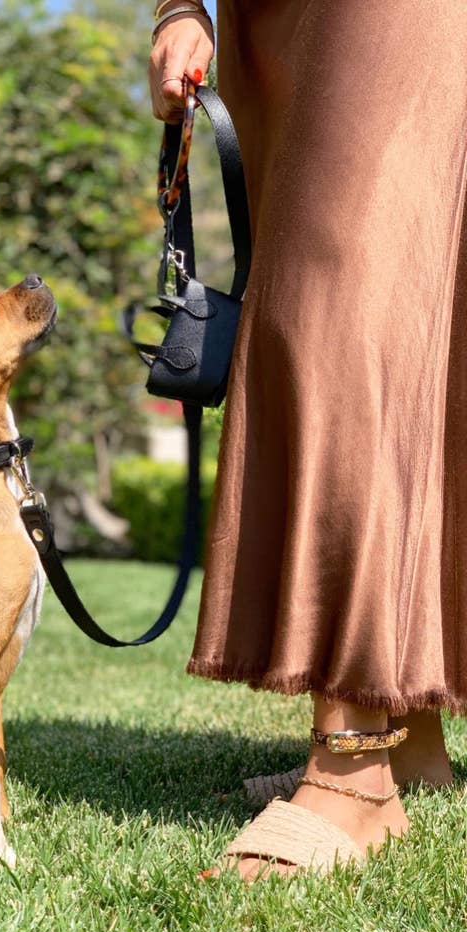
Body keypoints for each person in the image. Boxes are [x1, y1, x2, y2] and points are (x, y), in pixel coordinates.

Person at [149, 0, 466, 879]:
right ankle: (410, 732)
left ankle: (354, 770)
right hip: (273, 22)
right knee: (394, 309)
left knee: (333, 303)